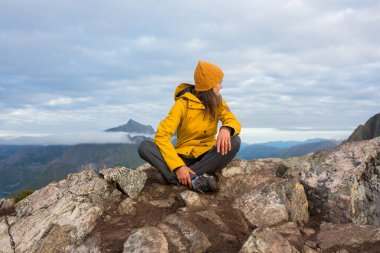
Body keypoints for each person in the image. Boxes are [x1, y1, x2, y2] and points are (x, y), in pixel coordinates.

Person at [138, 61, 241, 193]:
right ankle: (193, 178)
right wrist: (178, 166)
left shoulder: (218, 101)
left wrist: (226, 129)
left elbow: (232, 120)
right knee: (145, 147)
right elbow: (162, 136)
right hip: (183, 157)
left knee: (235, 141)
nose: (221, 87)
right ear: (209, 86)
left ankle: (177, 178)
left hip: (207, 156)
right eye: (219, 82)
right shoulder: (182, 104)